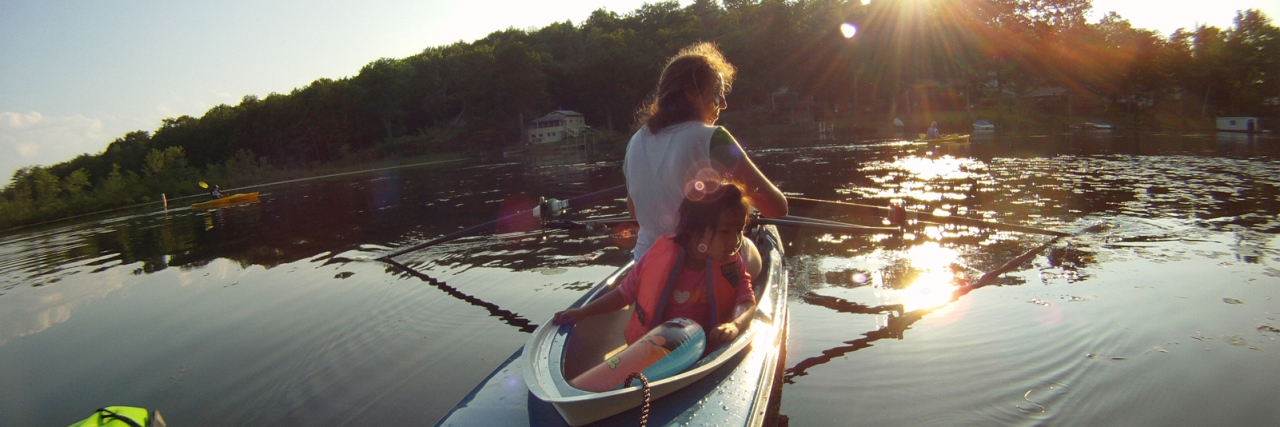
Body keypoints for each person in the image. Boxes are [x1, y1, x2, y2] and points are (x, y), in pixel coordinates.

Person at [624, 42, 787, 277]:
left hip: (646, 268)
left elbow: (634, 211)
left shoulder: (635, 141)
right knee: (753, 246)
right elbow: (777, 208)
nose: (723, 103)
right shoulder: (715, 138)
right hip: (697, 272)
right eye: (718, 93)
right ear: (691, 93)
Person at [552, 181, 756, 348]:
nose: (736, 241)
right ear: (694, 229)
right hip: (658, 349)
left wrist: (735, 325)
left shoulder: (731, 263)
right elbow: (623, 294)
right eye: (725, 232)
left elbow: (746, 301)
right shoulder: (658, 256)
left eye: (740, 230)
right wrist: (583, 312)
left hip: (706, 349)